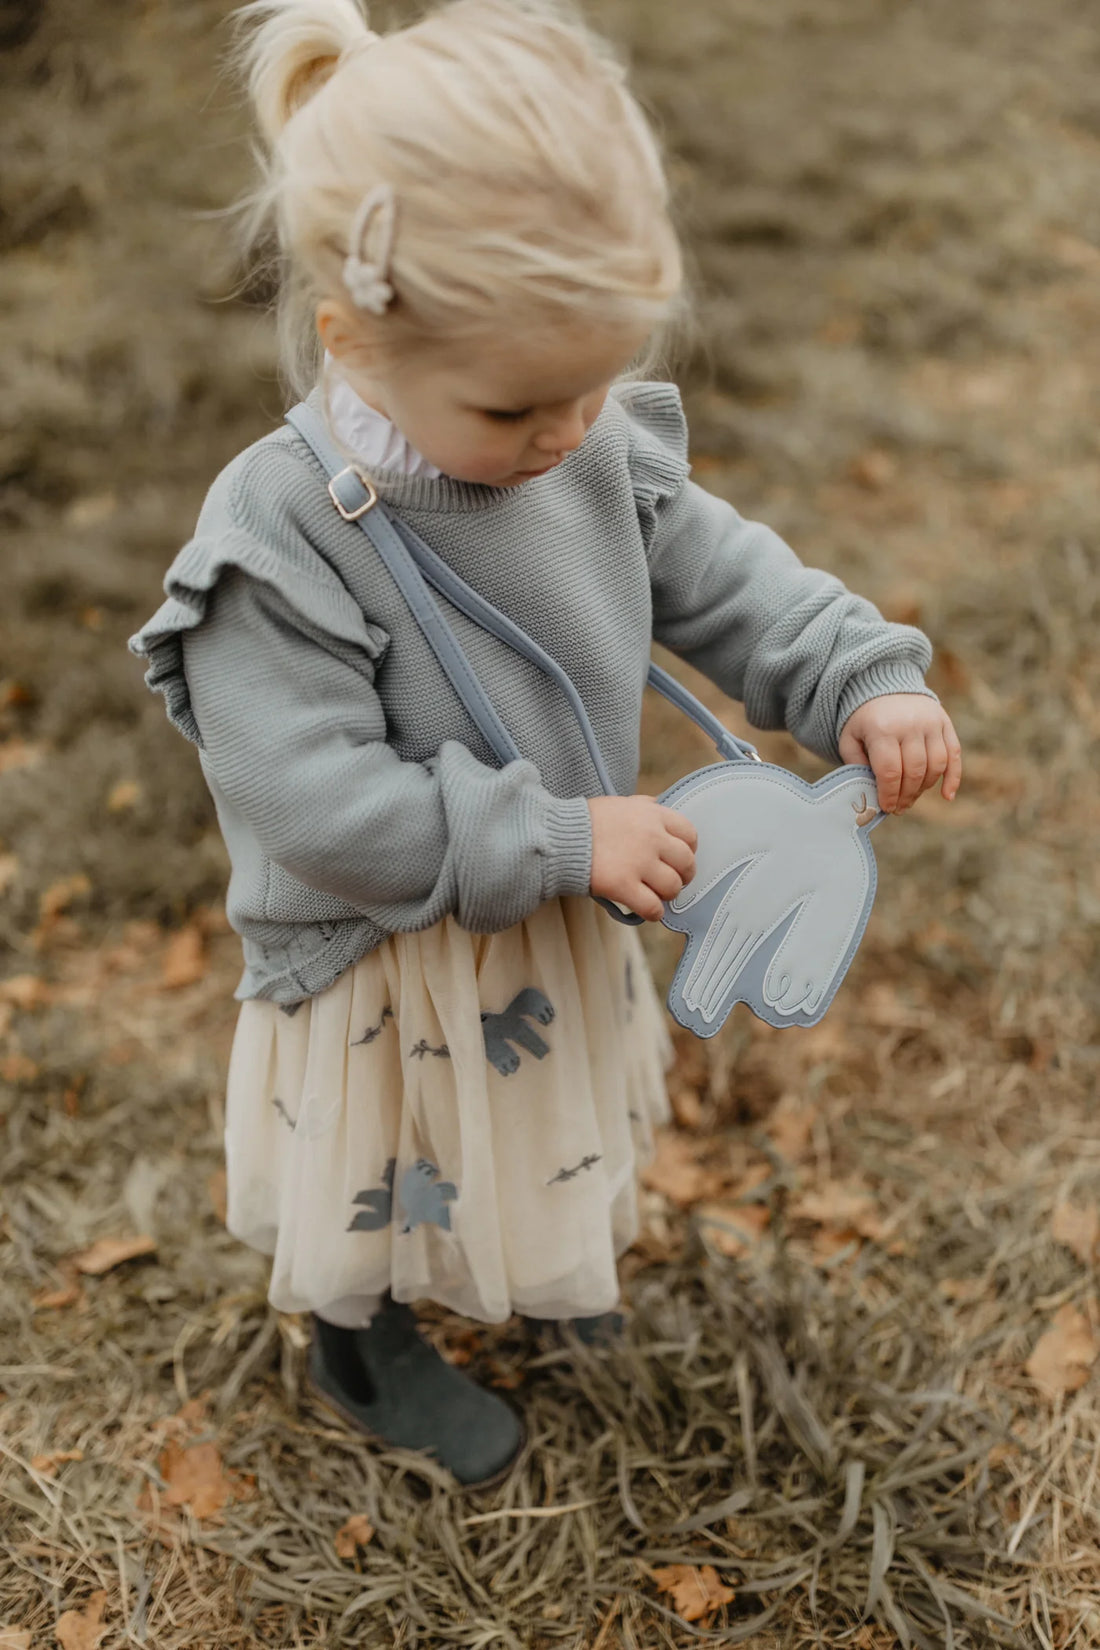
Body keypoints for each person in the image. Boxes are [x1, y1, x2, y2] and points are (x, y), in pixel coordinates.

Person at [129, 0, 962, 1489]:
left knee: (531, 1114)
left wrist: (858, 673)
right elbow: (311, 800)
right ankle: (358, 1323)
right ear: (349, 336)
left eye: (596, 382)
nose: (572, 434)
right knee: (386, 1161)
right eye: (521, 403)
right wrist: (565, 837)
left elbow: (726, 574)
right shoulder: (280, 541)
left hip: (557, 902)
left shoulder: (576, 441)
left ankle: (540, 1249)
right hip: (390, 947)